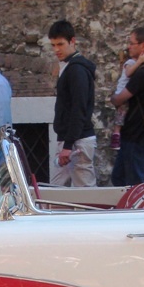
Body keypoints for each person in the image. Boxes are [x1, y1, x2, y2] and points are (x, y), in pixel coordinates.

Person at [111, 26, 144, 187]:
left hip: (135, 133)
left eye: (132, 43)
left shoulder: (143, 72)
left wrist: (113, 98)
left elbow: (120, 99)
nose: (128, 47)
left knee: (134, 183)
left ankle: (138, 204)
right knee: (119, 178)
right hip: (141, 132)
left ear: (143, 46)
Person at [48, 20, 97, 186]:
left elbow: (78, 108)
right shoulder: (70, 67)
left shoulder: (76, 70)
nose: (56, 49)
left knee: (85, 193)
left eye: (60, 44)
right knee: (54, 189)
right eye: (53, 45)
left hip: (77, 141)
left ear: (72, 41)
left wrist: (68, 146)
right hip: (70, 140)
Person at [109, 49, 138, 151]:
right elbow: (129, 73)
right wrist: (140, 61)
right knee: (121, 113)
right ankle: (116, 135)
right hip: (122, 93)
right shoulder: (130, 62)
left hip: (128, 93)